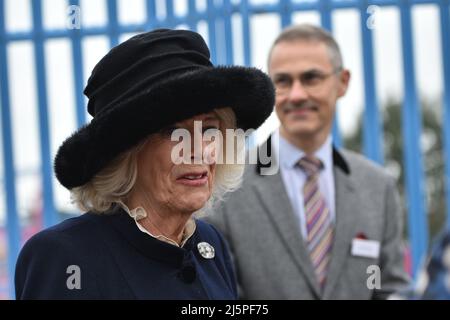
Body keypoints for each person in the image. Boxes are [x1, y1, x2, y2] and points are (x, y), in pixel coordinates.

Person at [14, 28, 274, 299]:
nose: (199, 151)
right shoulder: (64, 255)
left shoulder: (210, 244)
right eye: (174, 133)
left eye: (209, 130)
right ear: (126, 152)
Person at [206, 24, 410, 299]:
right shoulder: (225, 184)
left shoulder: (377, 186)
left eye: (311, 78)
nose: (297, 94)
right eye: (283, 81)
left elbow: (388, 288)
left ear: (343, 82)